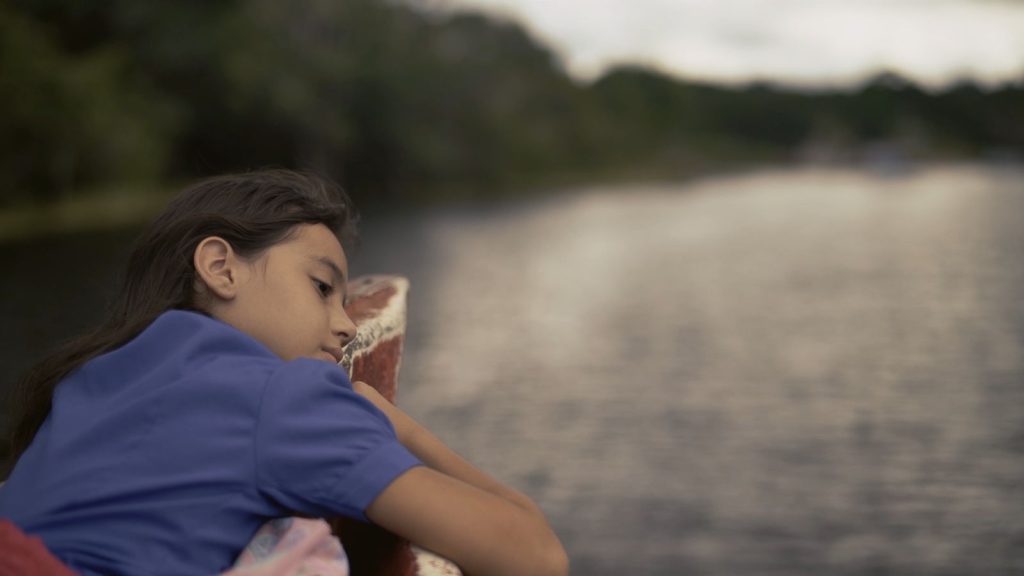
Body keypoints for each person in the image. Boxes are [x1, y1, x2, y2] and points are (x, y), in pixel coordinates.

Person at [0, 170, 568, 576]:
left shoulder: (87, 377)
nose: (346, 326)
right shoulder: (283, 395)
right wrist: (399, 426)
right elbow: (537, 558)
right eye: (322, 287)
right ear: (221, 267)